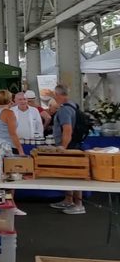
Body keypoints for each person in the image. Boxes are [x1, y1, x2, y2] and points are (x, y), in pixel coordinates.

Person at [49, 85, 86, 215]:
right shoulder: (72, 105)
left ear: (58, 95)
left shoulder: (64, 110)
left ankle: (78, 204)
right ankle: (68, 199)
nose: (54, 97)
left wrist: (63, 147)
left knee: (75, 175)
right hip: (74, 144)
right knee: (69, 174)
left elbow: (67, 129)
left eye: (54, 95)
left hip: (69, 146)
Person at [0, 90, 22, 155]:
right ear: (10, 99)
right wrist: (20, 150)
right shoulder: (9, 113)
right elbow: (13, 134)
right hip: (7, 147)